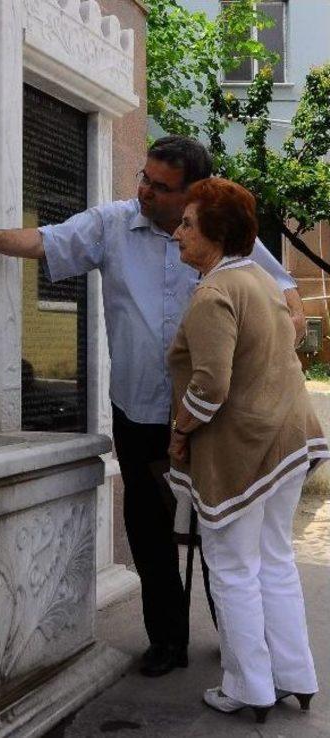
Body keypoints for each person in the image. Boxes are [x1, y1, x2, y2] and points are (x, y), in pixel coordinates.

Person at [0, 136, 305, 677]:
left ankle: (237, 647)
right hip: (139, 411)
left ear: (192, 196)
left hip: (210, 415)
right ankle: (167, 641)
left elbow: (285, 291)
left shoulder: (219, 230)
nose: (144, 192)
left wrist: (286, 335)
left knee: (218, 533)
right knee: (150, 528)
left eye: (161, 187)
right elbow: (47, 240)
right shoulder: (114, 223)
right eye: (144, 177)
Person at [168, 177, 327, 722]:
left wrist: (181, 431)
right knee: (275, 560)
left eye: (188, 224)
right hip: (289, 440)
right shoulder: (260, 278)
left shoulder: (214, 291)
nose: (178, 234)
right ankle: (295, 677)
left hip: (245, 448)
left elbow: (210, 384)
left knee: (233, 566)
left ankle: (248, 687)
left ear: (216, 234)